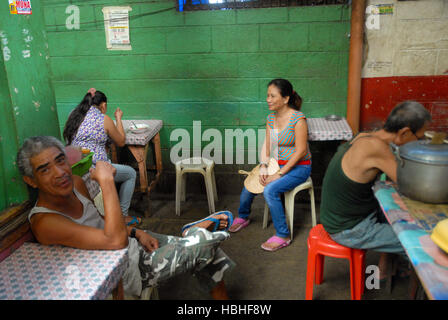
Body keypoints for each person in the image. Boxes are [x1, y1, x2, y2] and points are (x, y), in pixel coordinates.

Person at [17, 136, 235, 299]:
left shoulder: (76, 183)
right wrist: (107, 182)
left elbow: (101, 218)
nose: (59, 172)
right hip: (125, 270)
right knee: (208, 245)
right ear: (31, 180)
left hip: (131, 242)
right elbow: (114, 242)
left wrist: (136, 232)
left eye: (60, 160)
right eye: (45, 169)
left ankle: (194, 235)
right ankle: (193, 232)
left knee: (209, 252)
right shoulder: (45, 222)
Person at [319, 100, 431, 278]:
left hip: (345, 216)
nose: (423, 141)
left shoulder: (365, 136)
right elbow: (411, 186)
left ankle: (384, 269)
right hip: (348, 229)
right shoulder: (375, 147)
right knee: (422, 244)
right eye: (421, 137)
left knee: (393, 211)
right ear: (405, 133)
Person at [229, 78, 312, 252]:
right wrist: (264, 166)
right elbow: (267, 145)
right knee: (251, 183)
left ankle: (283, 235)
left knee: (270, 189)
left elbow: (301, 151)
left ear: (286, 99)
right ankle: (243, 217)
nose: (268, 99)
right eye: (267, 95)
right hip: (277, 165)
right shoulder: (271, 118)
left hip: (299, 168)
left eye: (273, 96)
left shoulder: (298, 119)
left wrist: (279, 174)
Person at [63, 88, 139, 226]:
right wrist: (118, 118)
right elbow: (121, 141)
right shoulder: (103, 119)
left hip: (75, 166)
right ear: (103, 105)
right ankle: (122, 215)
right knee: (130, 174)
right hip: (94, 167)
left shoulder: (73, 115)